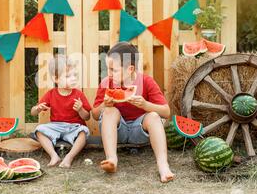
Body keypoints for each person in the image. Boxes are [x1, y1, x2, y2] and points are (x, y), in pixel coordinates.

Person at [92, 42, 175, 182]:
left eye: (114, 70)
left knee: (154, 116)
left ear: (130, 69)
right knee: (109, 111)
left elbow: (166, 112)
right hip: (117, 132)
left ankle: (163, 165)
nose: (109, 74)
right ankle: (112, 159)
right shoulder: (107, 83)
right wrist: (104, 105)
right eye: (108, 69)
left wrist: (145, 104)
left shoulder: (147, 82)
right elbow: (94, 114)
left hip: (140, 132)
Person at [31, 55, 91, 168]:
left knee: (84, 132)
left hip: (74, 127)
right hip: (56, 126)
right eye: (68, 76)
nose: (73, 78)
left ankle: (69, 157)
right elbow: (32, 112)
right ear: (56, 79)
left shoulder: (78, 94)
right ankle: (54, 156)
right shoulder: (51, 94)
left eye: (75, 75)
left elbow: (87, 117)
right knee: (39, 130)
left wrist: (80, 109)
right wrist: (37, 109)